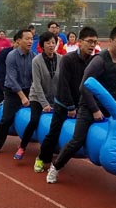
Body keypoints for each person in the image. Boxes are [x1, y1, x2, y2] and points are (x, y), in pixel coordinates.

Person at [46, 26, 116, 185]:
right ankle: (55, 167)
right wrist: (95, 110)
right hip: (88, 108)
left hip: (109, 109)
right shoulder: (99, 60)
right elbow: (84, 87)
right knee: (77, 141)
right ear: (110, 41)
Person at [33, 26, 98, 173]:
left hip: (81, 103)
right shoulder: (68, 59)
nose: (92, 45)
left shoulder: (94, 61)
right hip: (63, 103)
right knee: (54, 132)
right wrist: (70, 107)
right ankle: (42, 158)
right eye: (89, 41)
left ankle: (60, 159)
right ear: (80, 42)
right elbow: (64, 85)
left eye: (95, 42)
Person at [13, 31, 59, 160]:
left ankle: (54, 148)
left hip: (54, 98)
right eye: (48, 43)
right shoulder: (36, 61)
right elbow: (37, 84)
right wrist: (44, 104)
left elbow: (63, 82)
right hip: (37, 97)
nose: (51, 45)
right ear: (42, 45)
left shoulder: (61, 59)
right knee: (34, 120)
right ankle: (22, 146)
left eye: (53, 42)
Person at [0, 28, 35, 154]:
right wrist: (22, 97)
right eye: (27, 39)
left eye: (31, 39)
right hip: (13, 91)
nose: (30, 41)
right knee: (6, 119)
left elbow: (35, 77)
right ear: (19, 41)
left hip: (28, 89)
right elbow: (12, 79)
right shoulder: (11, 56)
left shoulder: (33, 56)